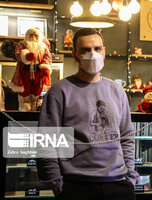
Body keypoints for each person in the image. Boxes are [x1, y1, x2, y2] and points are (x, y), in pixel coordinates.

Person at [37, 28, 138, 200]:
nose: (93, 54)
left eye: (97, 49)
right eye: (85, 50)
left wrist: (130, 178)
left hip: (119, 185)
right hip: (76, 186)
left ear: (104, 51)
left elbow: (127, 136)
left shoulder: (116, 90)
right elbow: (46, 141)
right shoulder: (59, 91)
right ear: (75, 54)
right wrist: (56, 183)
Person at [9, 28, 51, 111]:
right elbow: (18, 54)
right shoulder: (22, 44)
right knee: (24, 89)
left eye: (36, 35)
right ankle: (24, 105)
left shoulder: (43, 47)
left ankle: (35, 105)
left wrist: (45, 67)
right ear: (27, 35)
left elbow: (47, 57)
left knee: (37, 89)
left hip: (38, 73)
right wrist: (25, 56)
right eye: (31, 35)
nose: (33, 37)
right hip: (25, 72)